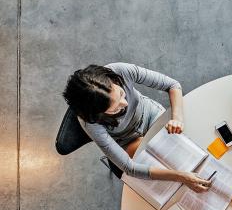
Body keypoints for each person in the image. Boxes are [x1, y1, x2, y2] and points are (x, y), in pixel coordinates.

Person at [62, 63, 211, 192]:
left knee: (187, 146)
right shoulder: (90, 122)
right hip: (126, 140)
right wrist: (181, 177)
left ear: (113, 80)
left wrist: (177, 118)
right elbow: (130, 168)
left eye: (121, 93)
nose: (125, 104)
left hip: (150, 115)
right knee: (160, 168)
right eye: (115, 109)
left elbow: (173, 85)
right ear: (97, 114)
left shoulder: (120, 70)